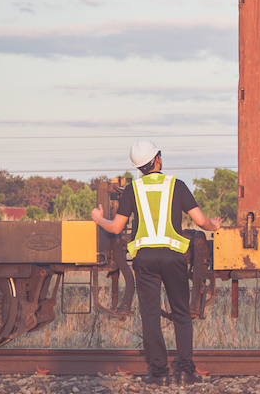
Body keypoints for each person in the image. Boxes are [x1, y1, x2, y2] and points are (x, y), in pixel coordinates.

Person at [91, 139, 222, 387]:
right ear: (158, 159)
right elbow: (201, 221)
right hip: (173, 258)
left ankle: (159, 373)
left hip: (145, 259)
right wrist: (215, 225)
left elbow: (117, 227)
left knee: (150, 316)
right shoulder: (177, 186)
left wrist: (99, 219)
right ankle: (185, 372)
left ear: (138, 168)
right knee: (182, 314)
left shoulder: (133, 189)